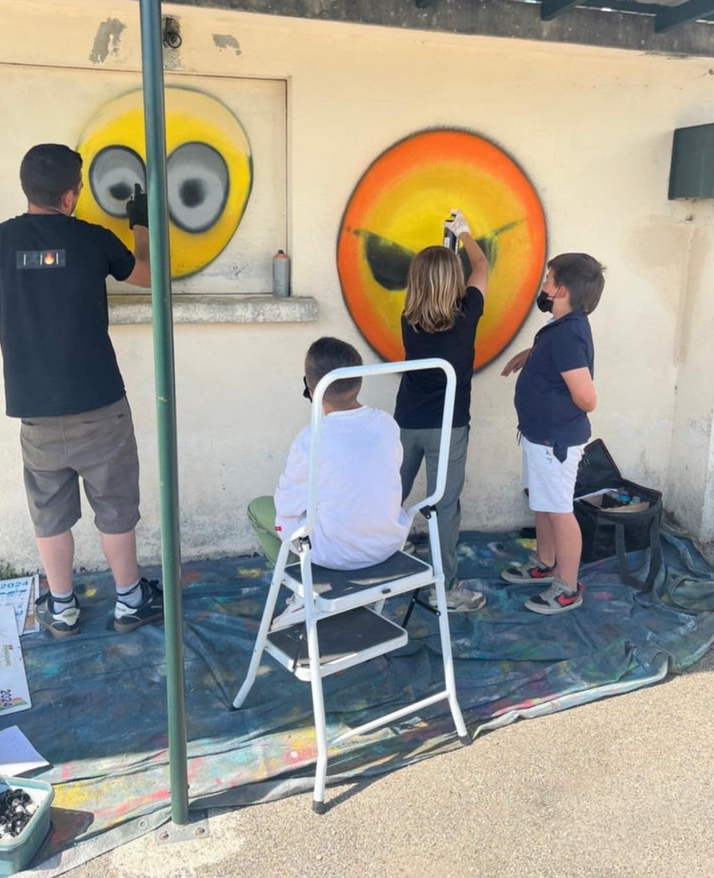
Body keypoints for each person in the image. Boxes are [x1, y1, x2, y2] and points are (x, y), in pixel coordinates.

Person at [0, 143, 163, 639]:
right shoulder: (93, 239)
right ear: (71, 196)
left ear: (26, 188)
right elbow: (149, 276)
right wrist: (140, 225)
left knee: (49, 511)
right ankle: (130, 601)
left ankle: (62, 607)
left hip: (35, 410)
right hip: (100, 404)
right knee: (114, 504)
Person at [247, 337, 412, 626]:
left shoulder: (311, 438)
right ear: (359, 380)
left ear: (311, 390)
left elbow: (286, 505)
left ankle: (302, 592)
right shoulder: (387, 423)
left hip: (334, 553)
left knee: (258, 509)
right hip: (387, 543)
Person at [393, 210, 489, 614]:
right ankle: (443, 589)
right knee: (444, 506)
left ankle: (376, 563)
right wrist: (465, 234)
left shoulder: (408, 318)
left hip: (406, 423)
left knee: (389, 495)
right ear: (454, 282)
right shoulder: (467, 314)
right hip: (449, 426)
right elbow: (481, 267)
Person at [500, 253, 605, 615]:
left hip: (554, 443)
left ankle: (567, 586)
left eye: (548, 279)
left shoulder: (566, 335)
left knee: (559, 510)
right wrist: (531, 354)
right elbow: (558, 354)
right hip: (539, 436)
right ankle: (544, 563)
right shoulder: (562, 327)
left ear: (561, 291)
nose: (543, 286)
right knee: (543, 502)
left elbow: (587, 399)